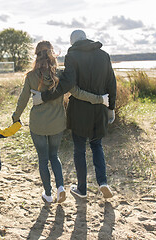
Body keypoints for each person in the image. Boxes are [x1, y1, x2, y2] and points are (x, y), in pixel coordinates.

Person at [12, 40, 105, 203]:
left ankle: (48, 194)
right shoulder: (60, 75)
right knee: (54, 156)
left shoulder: (30, 77)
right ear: (52, 54)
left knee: (42, 158)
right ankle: (60, 187)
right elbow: (78, 93)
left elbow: (22, 100)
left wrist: (15, 117)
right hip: (57, 124)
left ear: (36, 55)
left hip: (38, 124)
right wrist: (99, 99)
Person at [32, 30, 117, 199]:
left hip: (79, 110)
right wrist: (111, 107)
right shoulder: (104, 55)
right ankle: (103, 182)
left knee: (79, 150)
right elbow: (111, 82)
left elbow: (67, 84)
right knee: (97, 146)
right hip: (99, 109)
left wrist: (44, 97)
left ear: (72, 43)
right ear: (86, 38)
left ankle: (82, 189)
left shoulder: (73, 56)